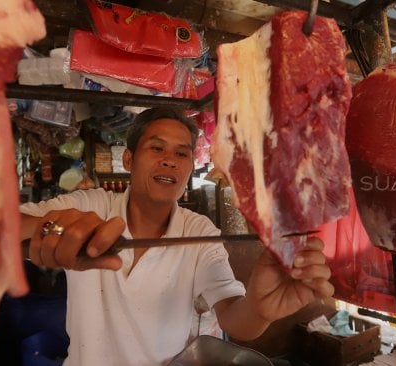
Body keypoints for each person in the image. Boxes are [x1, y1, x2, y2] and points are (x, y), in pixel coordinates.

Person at [20, 108, 334, 365]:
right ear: (129, 160)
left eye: (182, 153)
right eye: (156, 148)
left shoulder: (200, 233)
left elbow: (233, 317)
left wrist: (259, 308)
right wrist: (48, 229)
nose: (170, 160)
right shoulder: (91, 205)